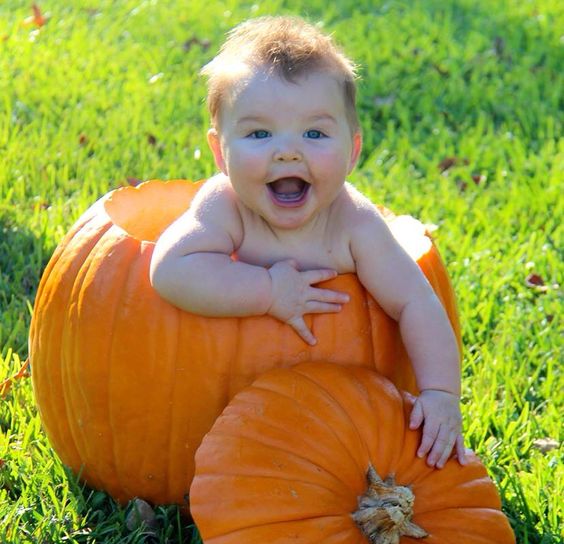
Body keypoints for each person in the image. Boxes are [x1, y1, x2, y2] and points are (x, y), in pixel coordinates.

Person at [150, 15, 465, 469]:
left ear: (352, 151)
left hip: (338, 427)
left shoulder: (355, 225)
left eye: (315, 133)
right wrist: (269, 291)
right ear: (221, 153)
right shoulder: (224, 206)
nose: (287, 151)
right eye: (259, 133)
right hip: (219, 407)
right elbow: (171, 269)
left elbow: (417, 301)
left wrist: (439, 393)